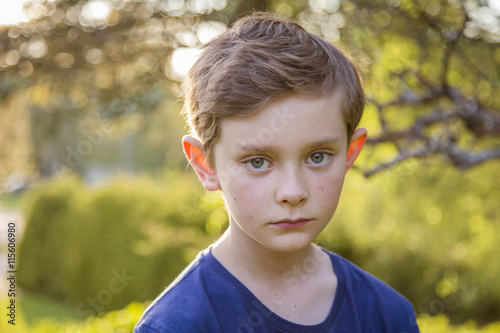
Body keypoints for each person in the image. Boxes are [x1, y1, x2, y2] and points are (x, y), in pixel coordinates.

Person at [135, 12, 420, 333]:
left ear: (350, 153)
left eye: (318, 156)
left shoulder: (387, 315)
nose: (293, 191)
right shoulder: (178, 325)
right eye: (258, 162)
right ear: (205, 164)